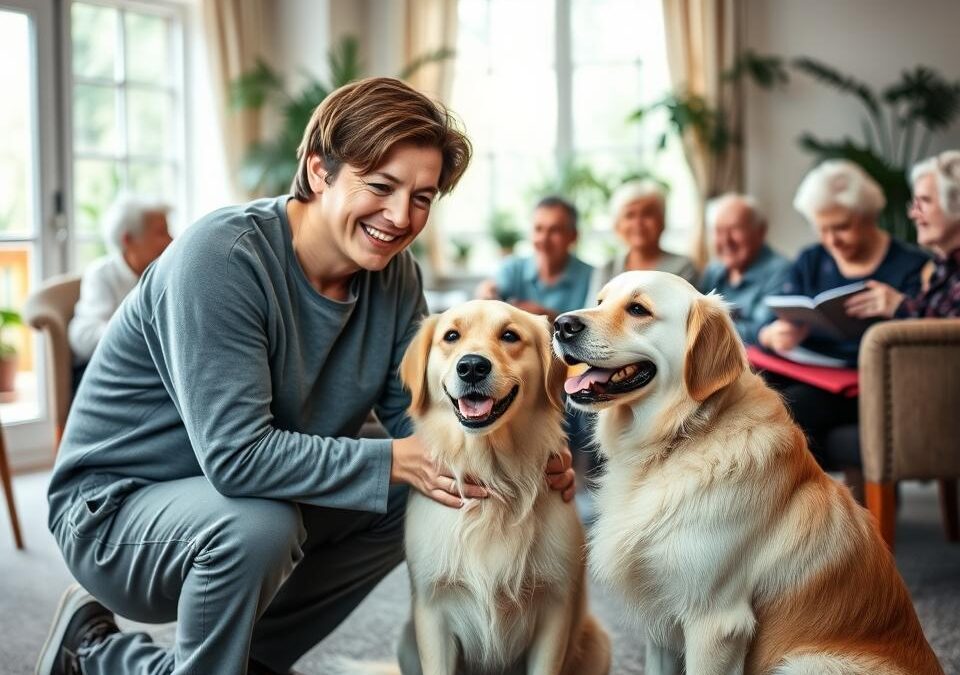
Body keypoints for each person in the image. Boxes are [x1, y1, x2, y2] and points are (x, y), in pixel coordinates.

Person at [38, 77, 575, 675]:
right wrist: (398, 460)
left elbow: (423, 419)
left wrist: (525, 454)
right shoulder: (222, 258)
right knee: (264, 523)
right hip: (116, 514)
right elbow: (238, 458)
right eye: (380, 187)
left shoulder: (394, 277)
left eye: (422, 197)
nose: (400, 218)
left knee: (423, 489)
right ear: (319, 171)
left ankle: (224, 662)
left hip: (249, 493)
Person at [757, 159, 928, 465]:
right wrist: (774, 334)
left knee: (790, 408)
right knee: (749, 392)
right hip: (811, 371)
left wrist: (897, 306)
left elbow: (927, 336)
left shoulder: (910, 265)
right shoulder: (812, 259)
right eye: (822, 230)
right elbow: (770, 319)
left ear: (868, 215)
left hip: (870, 382)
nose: (832, 240)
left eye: (842, 227)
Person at [68, 195, 173, 388]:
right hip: (104, 374)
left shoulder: (164, 274)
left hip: (148, 372)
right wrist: (139, 338)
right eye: (161, 233)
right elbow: (83, 336)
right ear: (128, 239)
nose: (171, 240)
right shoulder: (102, 275)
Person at [845, 150, 960, 320]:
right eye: (914, 204)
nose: (913, 214)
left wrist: (900, 307)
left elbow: (947, 336)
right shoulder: (941, 267)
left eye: (925, 201)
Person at [475, 195, 593, 321]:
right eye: (538, 229)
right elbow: (489, 292)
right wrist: (485, 292)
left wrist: (547, 317)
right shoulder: (512, 269)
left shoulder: (593, 277)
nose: (544, 239)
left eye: (555, 230)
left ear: (573, 236)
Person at [699, 193, 791, 345]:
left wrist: (705, 325)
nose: (726, 240)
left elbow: (760, 331)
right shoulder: (713, 270)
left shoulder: (782, 271)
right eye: (718, 231)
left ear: (761, 231)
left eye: (735, 229)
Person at [589, 179, 698, 300]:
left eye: (648, 213)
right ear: (617, 226)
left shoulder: (683, 266)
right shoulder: (608, 268)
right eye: (629, 215)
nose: (638, 223)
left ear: (662, 221)